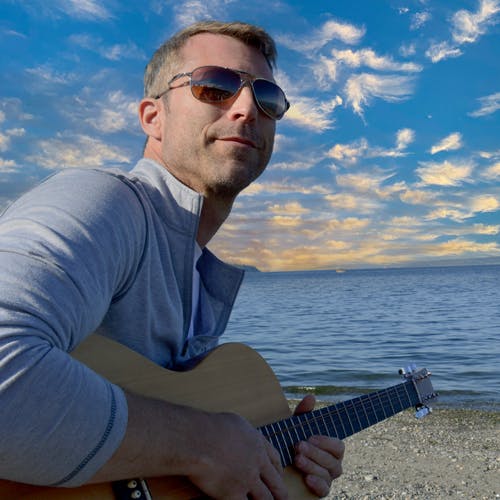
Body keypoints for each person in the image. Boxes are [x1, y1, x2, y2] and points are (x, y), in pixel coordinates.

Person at [0, 20, 344, 498]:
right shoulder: (106, 202)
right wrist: (200, 443)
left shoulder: (190, 271)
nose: (246, 108)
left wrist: (276, 458)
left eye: (267, 98)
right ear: (152, 117)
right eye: (215, 85)